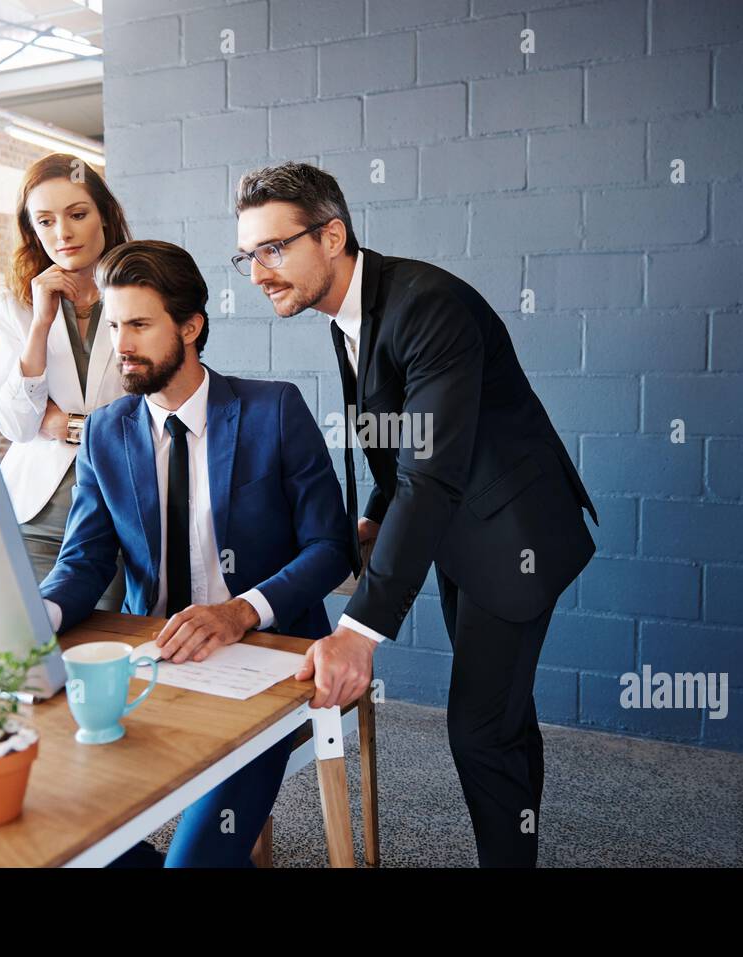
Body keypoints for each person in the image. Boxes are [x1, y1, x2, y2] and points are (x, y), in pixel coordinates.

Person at [233, 162, 600, 868]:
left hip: (513, 534)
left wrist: (358, 632)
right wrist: (374, 513)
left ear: (331, 235)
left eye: (273, 249)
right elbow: (400, 438)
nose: (257, 273)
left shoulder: (426, 305)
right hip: (466, 533)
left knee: (479, 730)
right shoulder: (349, 309)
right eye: (247, 255)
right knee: (504, 717)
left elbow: (431, 473)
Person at [39, 239, 352, 867]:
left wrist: (238, 612)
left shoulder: (274, 410)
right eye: (114, 324)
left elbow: (331, 548)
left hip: (264, 663)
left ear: (190, 326)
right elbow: (86, 560)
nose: (120, 344)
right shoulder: (105, 431)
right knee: (54, 832)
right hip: (152, 662)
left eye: (139, 325)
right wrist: (35, 617)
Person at [0, 153, 129, 611]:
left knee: (111, 650)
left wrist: (63, 423)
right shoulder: (15, 301)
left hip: (118, 511)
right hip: (34, 515)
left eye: (77, 214)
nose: (62, 234)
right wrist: (40, 323)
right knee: (33, 655)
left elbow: (152, 406)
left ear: (104, 216)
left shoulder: (140, 288)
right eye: (45, 221)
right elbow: (14, 423)